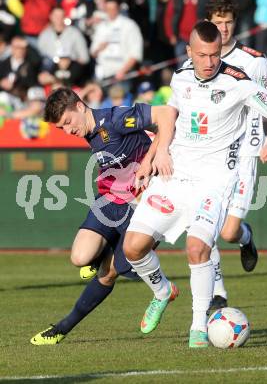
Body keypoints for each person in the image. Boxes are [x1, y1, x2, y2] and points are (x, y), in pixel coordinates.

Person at [123, 21, 267, 348]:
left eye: (215, 54)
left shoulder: (239, 82)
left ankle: (197, 328)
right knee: (133, 248)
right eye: (202, 55)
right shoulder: (179, 78)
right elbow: (170, 121)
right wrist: (154, 155)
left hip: (215, 182)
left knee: (198, 248)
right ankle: (162, 290)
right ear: (190, 52)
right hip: (174, 176)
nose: (209, 62)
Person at [30, 87, 174, 345]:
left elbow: (166, 114)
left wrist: (152, 157)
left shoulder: (117, 118)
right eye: (61, 128)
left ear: (80, 106)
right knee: (79, 257)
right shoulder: (89, 130)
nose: (68, 131)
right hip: (109, 199)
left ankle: (62, 328)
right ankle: (98, 258)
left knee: (110, 273)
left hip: (140, 205)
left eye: (67, 122)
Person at [204, 0, 267, 309]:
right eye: (217, 22)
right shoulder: (197, 59)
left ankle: (245, 238)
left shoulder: (253, 60)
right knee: (202, 226)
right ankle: (217, 294)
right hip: (206, 156)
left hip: (244, 154)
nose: (223, 28)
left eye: (228, 22)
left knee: (229, 231)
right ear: (207, 24)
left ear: (235, 24)